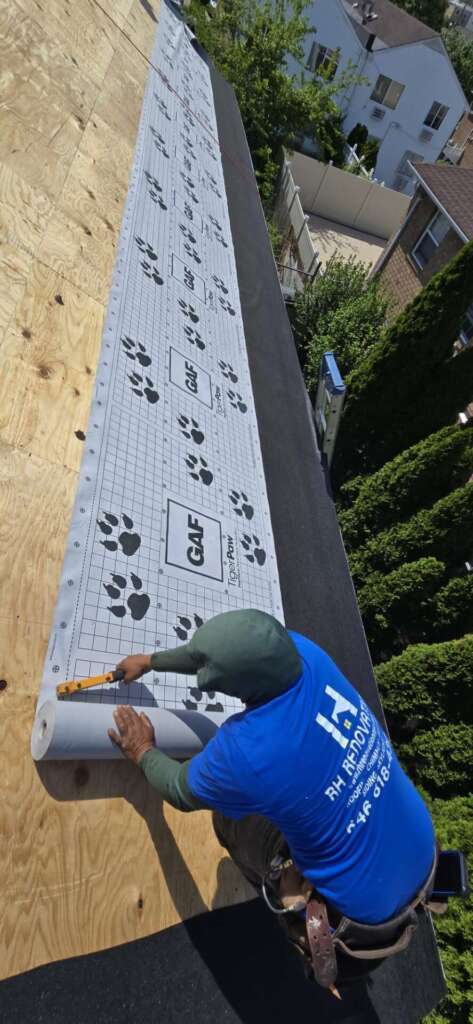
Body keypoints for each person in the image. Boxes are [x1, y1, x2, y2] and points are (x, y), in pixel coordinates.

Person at [108, 609, 437, 988]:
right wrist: (151, 662)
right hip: (421, 850)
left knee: (230, 820)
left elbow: (181, 790)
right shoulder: (305, 652)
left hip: (368, 916)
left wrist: (143, 750)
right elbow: (217, 653)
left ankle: (290, 911)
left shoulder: (250, 751)